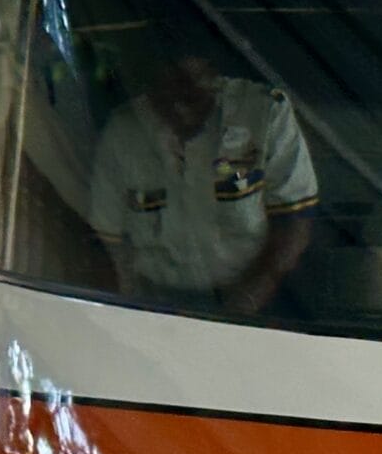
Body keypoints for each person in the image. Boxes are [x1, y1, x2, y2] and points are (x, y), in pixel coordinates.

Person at [90, 50, 317, 315]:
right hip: (154, 306)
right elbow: (107, 241)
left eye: (190, 92)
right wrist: (127, 307)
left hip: (256, 300)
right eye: (167, 94)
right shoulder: (122, 132)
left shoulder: (265, 115)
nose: (178, 107)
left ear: (215, 80)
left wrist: (247, 300)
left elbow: (294, 225)